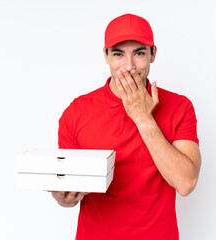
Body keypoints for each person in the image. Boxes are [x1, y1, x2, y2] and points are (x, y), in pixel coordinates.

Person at [51, 13, 201, 240]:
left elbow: (186, 183)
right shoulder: (77, 112)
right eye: (119, 54)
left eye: (139, 53)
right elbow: (67, 185)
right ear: (106, 56)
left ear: (153, 54)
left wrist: (143, 118)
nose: (129, 66)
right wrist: (64, 198)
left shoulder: (180, 107)